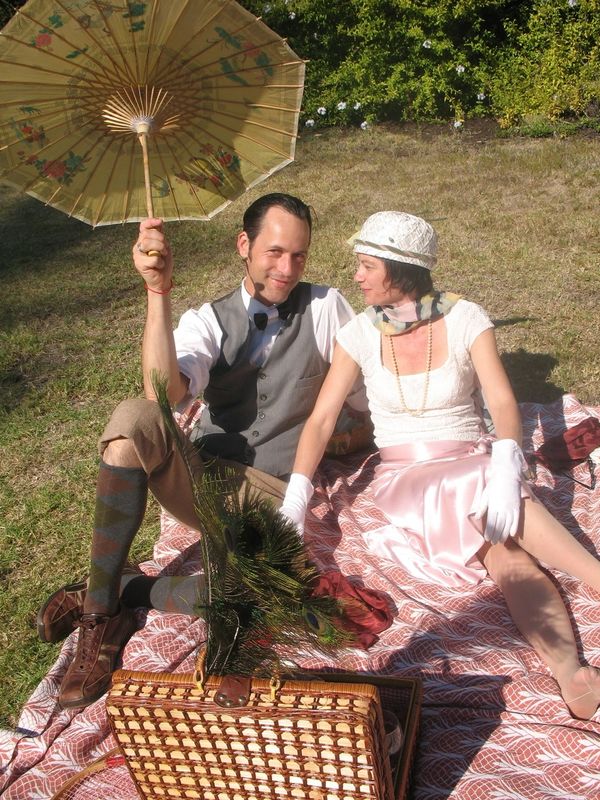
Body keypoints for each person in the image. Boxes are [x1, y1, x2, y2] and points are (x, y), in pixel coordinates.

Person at [37, 192, 366, 710]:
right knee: (132, 421)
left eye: (299, 255)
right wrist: (157, 291)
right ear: (244, 245)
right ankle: (97, 618)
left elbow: (366, 399)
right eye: (274, 253)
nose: (287, 268)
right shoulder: (207, 320)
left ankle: (123, 592)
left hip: (269, 494)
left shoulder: (327, 308)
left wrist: (355, 440)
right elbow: (163, 394)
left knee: (254, 603)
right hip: (202, 475)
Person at [284, 210, 600, 720]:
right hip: (410, 478)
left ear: (401, 269)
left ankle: (572, 673)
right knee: (489, 504)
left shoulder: (465, 317)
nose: (356, 276)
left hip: (474, 460)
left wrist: (504, 463)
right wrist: (296, 496)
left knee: (506, 559)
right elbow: (321, 421)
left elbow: (501, 402)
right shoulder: (360, 333)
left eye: (366, 265)